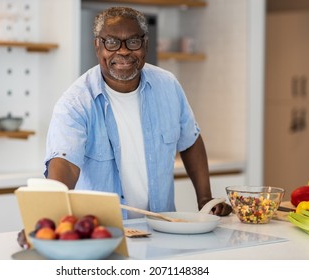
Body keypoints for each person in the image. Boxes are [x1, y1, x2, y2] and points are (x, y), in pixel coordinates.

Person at [43, 6, 232, 219]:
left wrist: (205, 199)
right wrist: (48, 221)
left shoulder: (167, 85)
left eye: (133, 41)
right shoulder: (75, 103)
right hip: (104, 233)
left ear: (145, 45)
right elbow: (65, 165)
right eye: (111, 42)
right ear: (98, 46)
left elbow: (190, 140)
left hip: (163, 227)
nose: (123, 51)